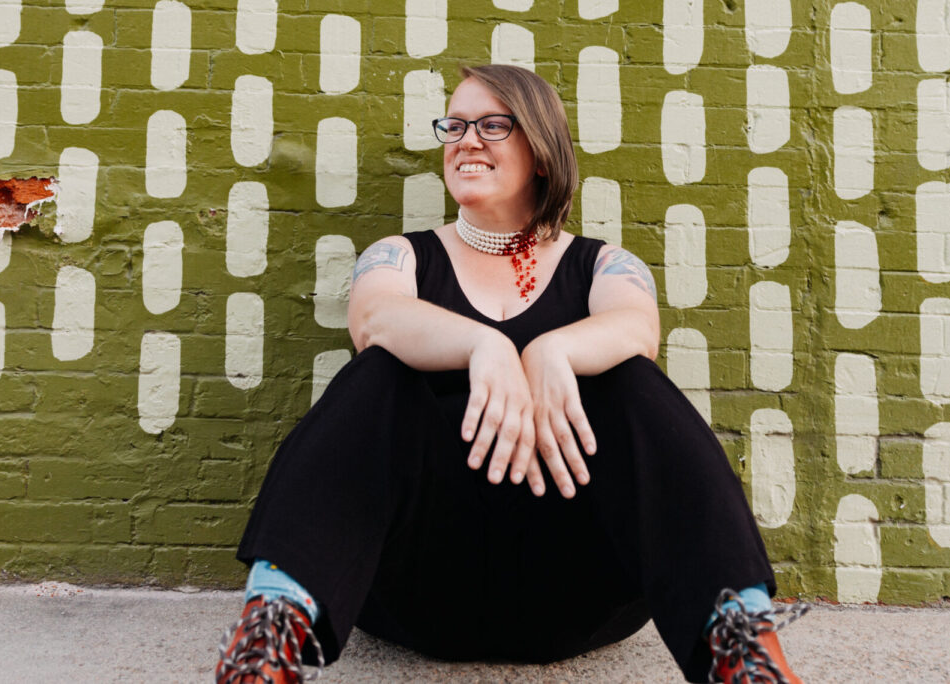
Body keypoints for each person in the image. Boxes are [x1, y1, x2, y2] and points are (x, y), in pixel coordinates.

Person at [215, 64, 807, 684]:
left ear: (543, 152)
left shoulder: (603, 265)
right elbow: (373, 319)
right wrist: (484, 345)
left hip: (579, 587)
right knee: (378, 375)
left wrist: (549, 352)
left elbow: (637, 329)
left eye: (494, 125)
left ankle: (742, 652)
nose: (466, 139)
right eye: (456, 124)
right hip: (422, 587)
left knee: (632, 380)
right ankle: (268, 647)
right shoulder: (400, 257)